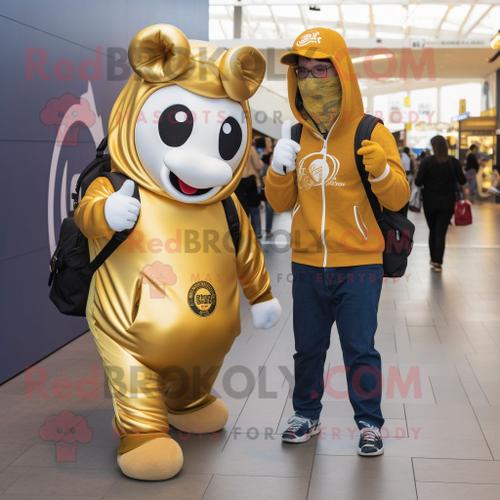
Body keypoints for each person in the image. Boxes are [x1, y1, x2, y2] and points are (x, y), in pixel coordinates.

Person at [265, 28, 410, 456]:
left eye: (321, 69)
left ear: (341, 71)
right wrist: (277, 170)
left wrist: (382, 170)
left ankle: (369, 423)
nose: (312, 80)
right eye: (304, 72)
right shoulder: (295, 136)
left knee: (360, 349)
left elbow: (399, 196)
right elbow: (281, 200)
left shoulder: (371, 131)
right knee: (307, 349)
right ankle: (305, 415)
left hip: (360, 264)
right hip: (308, 263)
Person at [415, 135, 467, 272]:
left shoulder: (427, 162)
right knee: (441, 232)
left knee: (433, 230)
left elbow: (418, 182)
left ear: (433, 147)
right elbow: (462, 180)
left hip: (429, 202)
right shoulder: (453, 162)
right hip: (448, 203)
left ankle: (434, 259)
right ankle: (438, 262)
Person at [235, 142, 264, 238]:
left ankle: (244, 234)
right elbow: (258, 166)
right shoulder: (250, 148)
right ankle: (257, 233)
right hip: (251, 180)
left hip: (238, 182)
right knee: (255, 209)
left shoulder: (235, 147)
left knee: (242, 209)